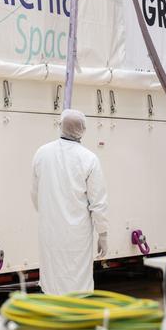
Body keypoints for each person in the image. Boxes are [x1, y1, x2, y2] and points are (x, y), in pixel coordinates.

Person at [31, 108, 109, 295]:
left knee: (52, 277)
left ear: (60, 126)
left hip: (49, 229)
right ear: (83, 130)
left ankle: (53, 314)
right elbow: (98, 203)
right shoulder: (89, 158)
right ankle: (75, 316)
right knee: (77, 281)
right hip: (78, 234)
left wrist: (49, 213)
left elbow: (35, 194)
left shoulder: (42, 153)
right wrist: (103, 234)